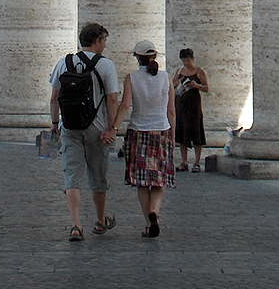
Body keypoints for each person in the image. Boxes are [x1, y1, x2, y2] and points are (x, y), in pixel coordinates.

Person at [49, 22, 118, 242]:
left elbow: (54, 98)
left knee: (72, 178)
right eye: (104, 41)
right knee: (98, 175)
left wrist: (54, 123)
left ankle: (76, 225)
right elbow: (113, 99)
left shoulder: (64, 62)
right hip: (97, 129)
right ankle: (99, 221)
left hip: (69, 126)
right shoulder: (106, 66)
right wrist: (112, 128)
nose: (105, 45)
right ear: (97, 41)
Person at [104, 40, 175, 239]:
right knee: (159, 179)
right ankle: (155, 211)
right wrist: (172, 136)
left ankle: (147, 222)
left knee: (143, 182)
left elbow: (125, 106)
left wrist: (114, 129)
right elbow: (171, 110)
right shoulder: (166, 77)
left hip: (138, 132)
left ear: (137, 57)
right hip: (161, 131)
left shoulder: (131, 78)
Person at [172, 47, 208, 172]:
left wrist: (196, 85)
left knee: (196, 131)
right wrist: (177, 82)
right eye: (184, 60)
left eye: (188, 60)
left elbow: (206, 87)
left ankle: (196, 162)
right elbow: (173, 84)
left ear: (192, 59)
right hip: (181, 104)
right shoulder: (180, 70)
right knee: (182, 132)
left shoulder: (199, 71)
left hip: (193, 105)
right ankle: (184, 161)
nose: (186, 63)